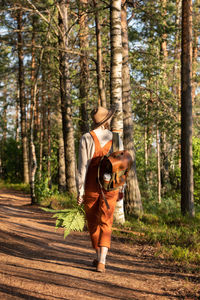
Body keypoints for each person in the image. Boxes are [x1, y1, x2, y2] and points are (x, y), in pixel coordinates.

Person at [77, 106, 123, 273]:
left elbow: (83, 167)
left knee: (92, 222)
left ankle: (99, 256)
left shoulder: (86, 138)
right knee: (106, 221)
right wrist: (121, 187)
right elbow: (121, 166)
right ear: (106, 120)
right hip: (111, 186)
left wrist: (79, 190)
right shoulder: (116, 138)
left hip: (91, 184)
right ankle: (102, 260)